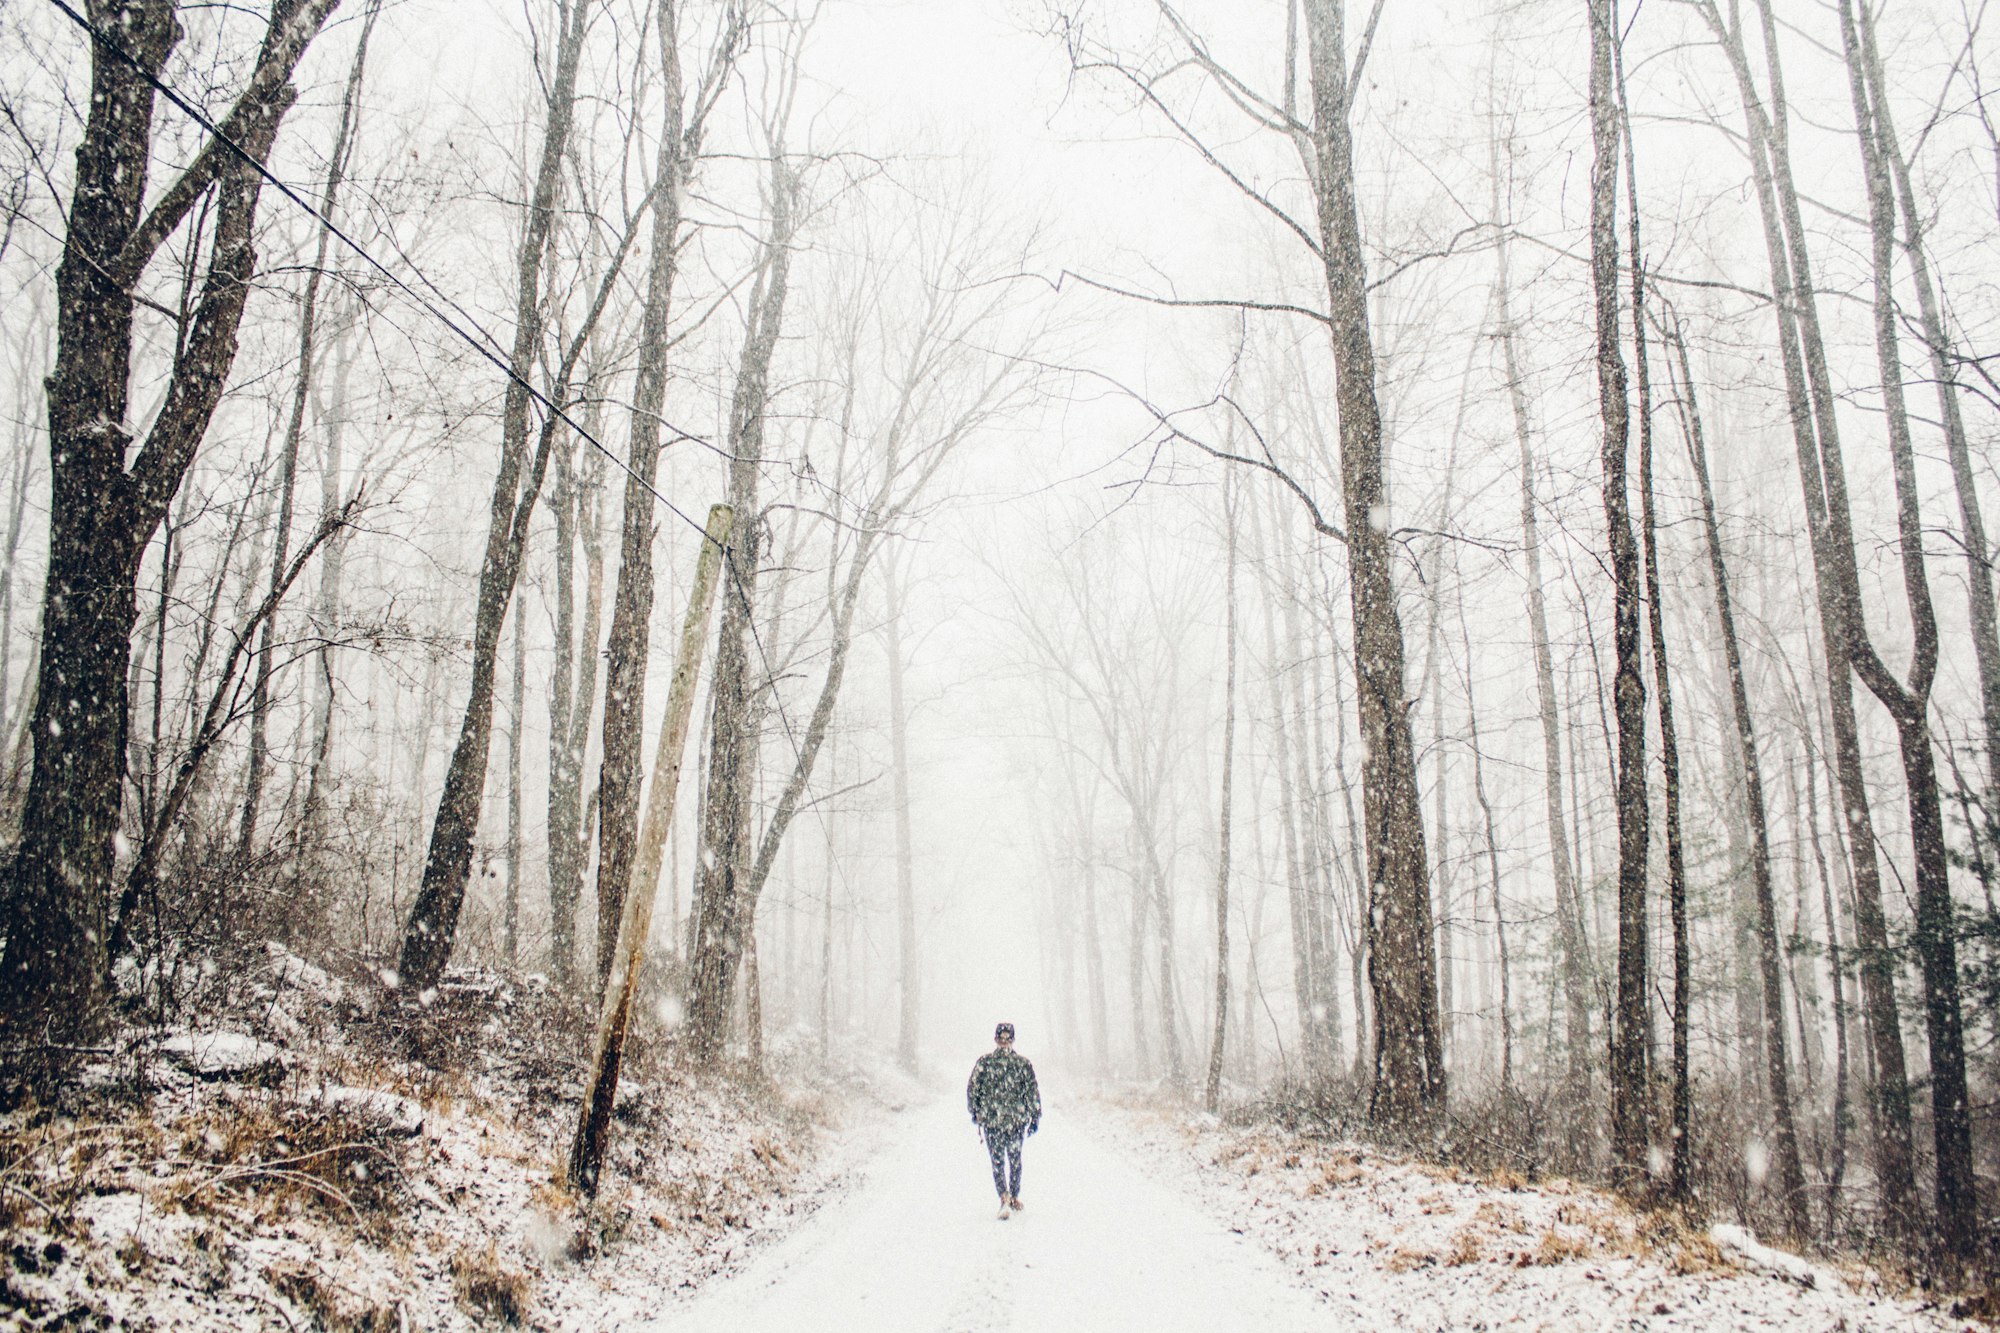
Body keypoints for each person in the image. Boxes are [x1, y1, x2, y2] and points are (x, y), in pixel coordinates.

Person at [966, 1021, 1040, 1220]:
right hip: (993, 1122)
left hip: (1015, 1122)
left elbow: (1032, 1091)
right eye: (1001, 1038)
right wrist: (975, 1110)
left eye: (1008, 1038)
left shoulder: (1022, 1064)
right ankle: (1004, 1196)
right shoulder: (985, 1063)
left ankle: (1013, 1195)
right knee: (998, 1160)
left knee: (1015, 1160)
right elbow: (973, 1089)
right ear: (996, 1039)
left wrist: (1034, 1115)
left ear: (1013, 1040)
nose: (1005, 1042)